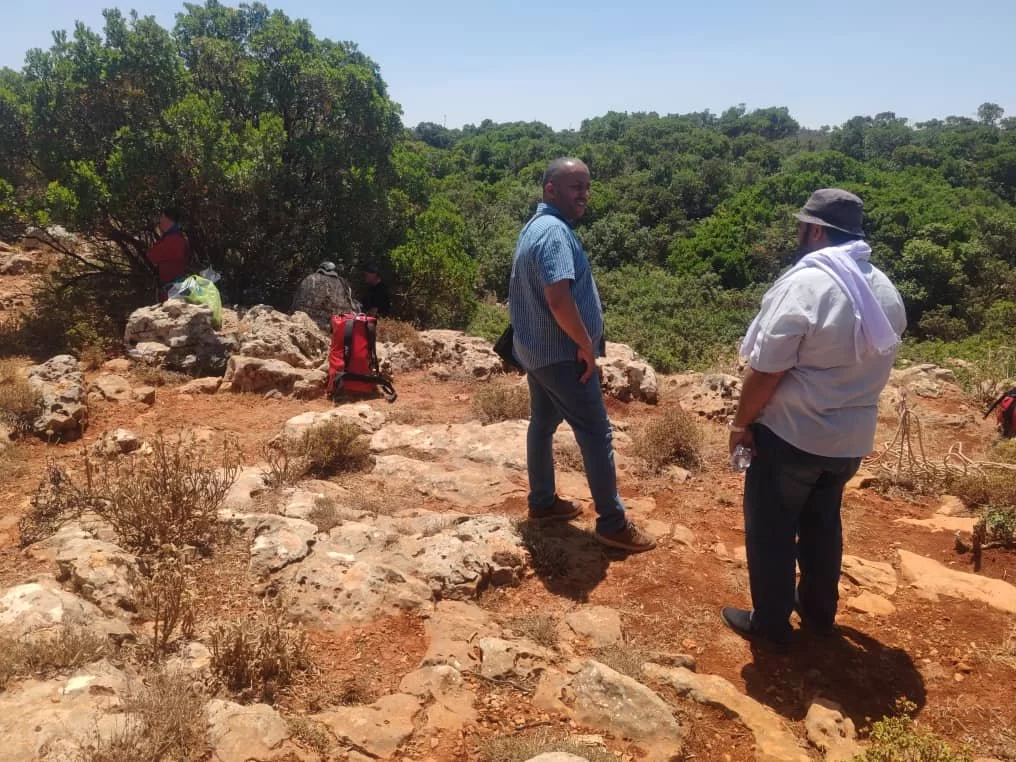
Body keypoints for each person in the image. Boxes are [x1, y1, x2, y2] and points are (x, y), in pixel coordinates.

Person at [722, 188, 907, 650]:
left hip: (793, 435)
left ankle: (771, 624)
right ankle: (820, 613)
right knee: (823, 524)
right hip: (850, 441)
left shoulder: (807, 284)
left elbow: (767, 369)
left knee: (772, 528)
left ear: (817, 231)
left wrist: (741, 425)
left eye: (802, 225)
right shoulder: (882, 287)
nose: (799, 233)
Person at [508, 157, 655, 553]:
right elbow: (558, 299)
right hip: (561, 355)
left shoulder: (534, 226)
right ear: (550, 189)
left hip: (535, 350)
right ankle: (612, 523)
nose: (584, 194)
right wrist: (585, 345)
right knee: (595, 433)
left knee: (542, 424)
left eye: (587, 186)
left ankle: (542, 502)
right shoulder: (555, 233)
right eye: (576, 187)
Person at [291, 260, 359, 332]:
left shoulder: (309, 278)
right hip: (331, 324)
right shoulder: (342, 283)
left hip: (303, 319)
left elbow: (297, 300)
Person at [146, 207, 189, 301]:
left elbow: (151, 255)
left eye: (162, 217)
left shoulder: (172, 240)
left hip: (172, 292)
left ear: (167, 219)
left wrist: (161, 234)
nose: (160, 221)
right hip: (179, 288)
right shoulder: (179, 237)